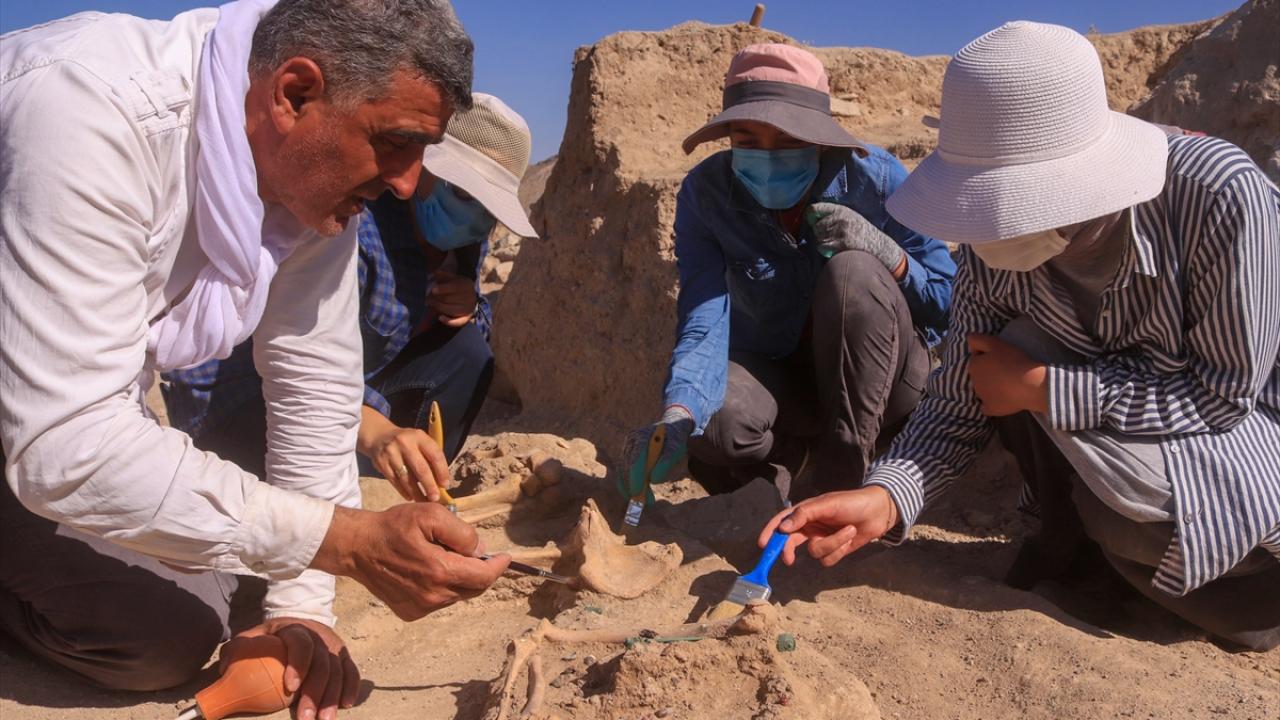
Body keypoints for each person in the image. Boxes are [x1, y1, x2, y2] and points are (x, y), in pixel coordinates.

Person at [0, 0, 511, 715]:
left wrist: (304, 611)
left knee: (199, 603)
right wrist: (345, 541)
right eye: (397, 141)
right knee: (167, 618)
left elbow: (316, 388)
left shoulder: (309, 183)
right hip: (38, 420)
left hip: (47, 415)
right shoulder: (92, 110)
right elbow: (64, 443)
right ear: (294, 94)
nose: (405, 183)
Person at [762, 22, 1280, 651]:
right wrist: (886, 496)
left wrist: (1047, 389)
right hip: (1125, 428)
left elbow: (1224, 396)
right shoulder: (992, 244)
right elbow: (957, 399)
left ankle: (1253, 603)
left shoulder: (1217, 196)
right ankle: (1081, 555)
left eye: (1019, 201)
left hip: (1243, 433)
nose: (996, 224)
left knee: (1126, 514)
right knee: (1006, 357)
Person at [619, 44, 954, 505]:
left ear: (818, 138)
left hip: (883, 386)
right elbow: (704, 316)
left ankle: (843, 474)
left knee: (853, 272)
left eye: (789, 139)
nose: (769, 156)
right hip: (783, 379)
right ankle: (789, 461)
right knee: (712, 424)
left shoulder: (875, 180)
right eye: (749, 142)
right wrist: (679, 412)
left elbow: (947, 301)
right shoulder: (707, 193)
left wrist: (889, 256)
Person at [164, 93, 537, 503]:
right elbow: (290, 357)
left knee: (468, 352)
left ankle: (412, 483)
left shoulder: (464, 241)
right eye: (464, 194)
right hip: (248, 389)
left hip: (356, 381)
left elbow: (460, 335)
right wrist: (376, 430)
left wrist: (469, 308)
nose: (474, 219)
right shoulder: (355, 222)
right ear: (421, 165)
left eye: (487, 208)